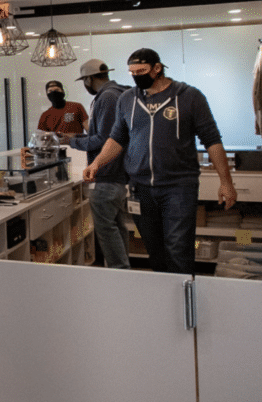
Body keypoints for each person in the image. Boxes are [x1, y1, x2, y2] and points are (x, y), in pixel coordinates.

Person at [83, 48, 237, 274]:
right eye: (132, 72)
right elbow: (117, 138)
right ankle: (164, 292)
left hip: (179, 187)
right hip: (141, 188)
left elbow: (212, 140)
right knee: (154, 250)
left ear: (157, 68)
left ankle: (183, 292)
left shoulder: (189, 96)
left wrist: (226, 182)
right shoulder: (127, 99)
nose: (136, 76)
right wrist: (97, 163)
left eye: (141, 71)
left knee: (178, 248)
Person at [63, 59, 131, 269]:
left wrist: (72, 142)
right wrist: (79, 138)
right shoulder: (119, 93)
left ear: (89, 79)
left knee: (106, 230)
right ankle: (124, 273)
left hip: (107, 174)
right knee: (117, 227)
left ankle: (119, 273)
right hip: (118, 174)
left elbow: (105, 140)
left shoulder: (107, 97)